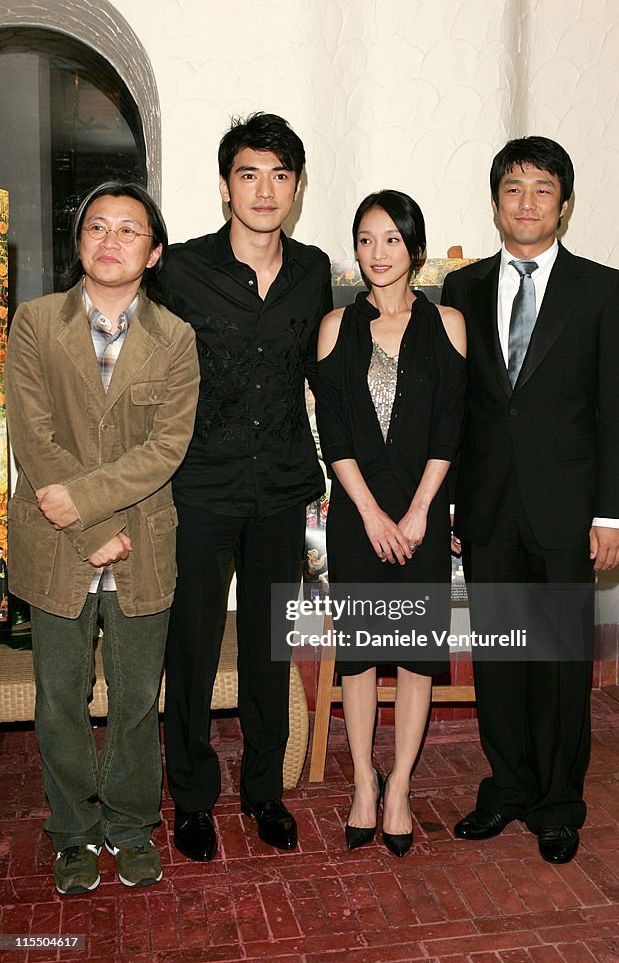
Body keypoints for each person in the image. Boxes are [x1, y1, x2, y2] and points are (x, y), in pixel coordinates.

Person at [441, 137, 619, 864]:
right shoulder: (459, 290)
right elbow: (454, 410)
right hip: (487, 508)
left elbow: (617, 408)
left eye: (541, 189)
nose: (526, 203)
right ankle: (508, 788)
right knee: (499, 658)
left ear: (564, 203)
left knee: (557, 663)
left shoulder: (599, 288)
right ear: (495, 202)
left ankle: (559, 802)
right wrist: (453, 501)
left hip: (568, 510)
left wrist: (615, 514)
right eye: (512, 189)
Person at [5, 181, 200, 894]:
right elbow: (33, 435)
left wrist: (98, 518)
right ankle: (74, 833)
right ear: (79, 241)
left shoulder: (175, 339)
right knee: (58, 697)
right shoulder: (33, 323)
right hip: (57, 542)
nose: (109, 241)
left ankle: (127, 825)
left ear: (153, 253)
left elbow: (166, 448)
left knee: (134, 696)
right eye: (96, 227)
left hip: (142, 543)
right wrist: (92, 528)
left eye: (128, 231)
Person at [161, 112, 332, 859]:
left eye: (279, 175)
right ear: (227, 186)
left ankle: (264, 791)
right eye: (249, 174)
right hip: (199, 485)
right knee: (192, 645)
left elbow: (326, 374)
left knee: (269, 644)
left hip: (283, 486)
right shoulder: (182, 269)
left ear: (294, 188)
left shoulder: (314, 269)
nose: (264, 190)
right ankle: (192, 798)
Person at [315, 191, 466, 856]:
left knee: (411, 659)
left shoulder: (448, 324)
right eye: (365, 240)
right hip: (356, 516)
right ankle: (362, 787)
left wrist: (417, 513)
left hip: (422, 516)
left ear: (414, 248)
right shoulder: (334, 327)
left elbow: (450, 428)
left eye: (391, 240)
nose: (377, 254)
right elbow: (334, 432)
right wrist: (372, 513)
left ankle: (399, 785)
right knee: (356, 660)